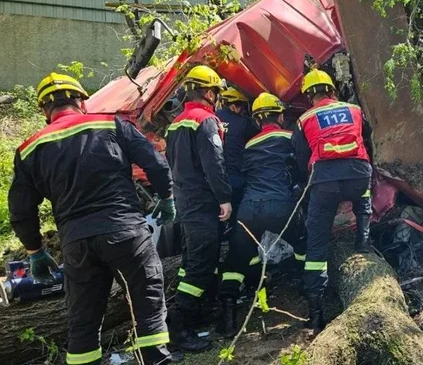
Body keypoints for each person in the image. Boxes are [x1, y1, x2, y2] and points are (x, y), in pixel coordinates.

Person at [9, 73, 177, 365]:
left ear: (44, 110)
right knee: (147, 305)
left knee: (83, 322)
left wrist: (35, 251)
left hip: (77, 244)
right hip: (127, 233)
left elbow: (21, 210)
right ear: (81, 100)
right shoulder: (111, 124)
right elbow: (155, 162)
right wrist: (167, 197)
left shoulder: (29, 149)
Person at [216, 92, 307, 337]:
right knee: (302, 244)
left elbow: (244, 175)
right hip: (281, 206)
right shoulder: (291, 137)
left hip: (249, 210)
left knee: (236, 259)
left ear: (257, 120)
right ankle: (308, 294)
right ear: (279, 115)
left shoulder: (249, 145)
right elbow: (302, 167)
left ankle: (228, 319)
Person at [292, 69, 374, 334]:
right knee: (363, 192)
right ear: (332, 89)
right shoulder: (354, 109)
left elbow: (301, 156)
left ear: (308, 96)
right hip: (358, 174)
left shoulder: (305, 119)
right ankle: (363, 240)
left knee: (316, 245)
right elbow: (367, 138)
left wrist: (311, 183)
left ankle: (316, 317)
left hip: (324, 182)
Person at [165, 65, 232, 352]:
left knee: (191, 261)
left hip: (184, 201)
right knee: (202, 264)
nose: (217, 98)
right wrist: (224, 198)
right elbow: (213, 165)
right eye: (216, 92)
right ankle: (179, 330)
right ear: (208, 92)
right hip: (203, 203)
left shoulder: (176, 123)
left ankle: (193, 314)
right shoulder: (205, 121)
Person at [216, 88, 259, 233]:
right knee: (237, 215)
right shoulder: (244, 123)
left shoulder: (211, 119)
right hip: (236, 178)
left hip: (214, 178)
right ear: (234, 106)